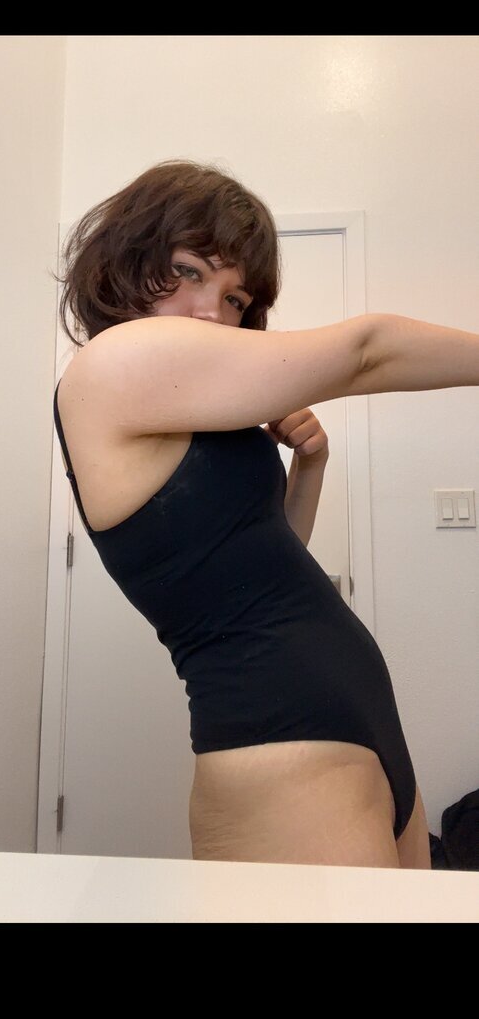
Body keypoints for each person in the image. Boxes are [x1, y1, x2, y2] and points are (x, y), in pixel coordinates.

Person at [53, 158, 479, 870]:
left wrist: (310, 465)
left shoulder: (186, 413)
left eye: (233, 297)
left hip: (348, 722)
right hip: (279, 738)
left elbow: (273, 560)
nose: (210, 312)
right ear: (127, 259)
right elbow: (367, 352)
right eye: (187, 271)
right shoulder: (111, 364)